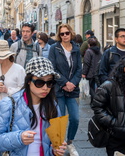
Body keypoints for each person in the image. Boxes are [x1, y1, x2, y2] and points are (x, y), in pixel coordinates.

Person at [0, 57, 67, 156]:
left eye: (50, 82)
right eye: (40, 82)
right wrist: (19, 138)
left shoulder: (53, 104)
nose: (45, 88)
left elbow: (54, 141)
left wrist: (55, 151)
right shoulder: (8, 104)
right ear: (29, 81)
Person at [0, 40, 26, 146]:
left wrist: (7, 90)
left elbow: (24, 89)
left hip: (12, 106)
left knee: (9, 135)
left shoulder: (18, 69)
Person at [48, 24, 82, 156]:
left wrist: (72, 83)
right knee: (60, 119)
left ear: (71, 33)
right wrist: (64, 83)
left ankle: (70, 142)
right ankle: (59, 144)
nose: (65, 36)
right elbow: (52, 69)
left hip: (72, 89)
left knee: (75, 118)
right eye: (62, 34)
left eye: (67, 33)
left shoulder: (76, 48)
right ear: (59, 35)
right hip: (59, 89)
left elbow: (79, 68)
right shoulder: (54, 48)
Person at [82, 38, 102, 102]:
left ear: (89, 44)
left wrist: (84, 73)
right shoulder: (99, 51)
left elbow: (86, 63)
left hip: (91, 73)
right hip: (98, 72)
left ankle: (94, 101)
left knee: (91, 88)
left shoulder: (89, 51)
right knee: (96, 87)